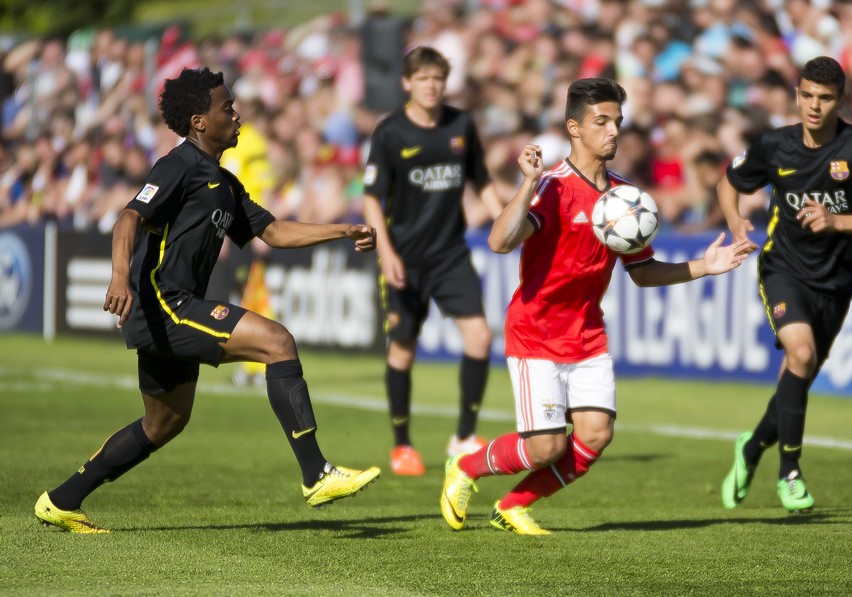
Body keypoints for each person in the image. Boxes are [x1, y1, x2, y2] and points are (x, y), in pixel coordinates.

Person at [33, 67, 381, 534]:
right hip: (164, 303)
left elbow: (273, 232)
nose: (237, 115)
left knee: (163, 425)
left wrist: (344, 228)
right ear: (199, 121)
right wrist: (120, 277)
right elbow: (128, 218)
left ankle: (60, 499)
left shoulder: (223, 181)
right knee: (278, 342)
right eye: (228, 108)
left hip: (166, 310)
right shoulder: (178, 165)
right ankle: (316, 473)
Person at [438, 78, 752, 535]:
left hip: (586, 335)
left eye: (617, 122)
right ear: (574, 128)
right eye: (601, 122)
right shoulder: (551, 188)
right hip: (536, 334)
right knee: (545, 447)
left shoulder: (625, 198)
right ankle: (465, 466)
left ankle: (513, 506)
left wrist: (704, 265)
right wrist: (526, 183)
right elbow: (499, 241)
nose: (613, 132)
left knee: (595, 436)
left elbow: (643, 272)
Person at [717, 57, 852, 513]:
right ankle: (791, 472)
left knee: (797, 377)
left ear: (840, 101)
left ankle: (750, 447)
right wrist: (736, 222)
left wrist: (835, 219)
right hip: (782, 267)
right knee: (799, 352)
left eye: (824, 98)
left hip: (837, 282)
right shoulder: (775, 145)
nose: (814, 106)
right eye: (807, 96)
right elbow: (730, 183)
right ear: (797, 96)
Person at [362, 47, 505, 476]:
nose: (431, 85)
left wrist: (510, 223)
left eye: (438, 78)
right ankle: (402, 444)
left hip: (450, 254)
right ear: (407, 82)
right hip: (404, 257)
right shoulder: (390, 133)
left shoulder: (461, 126)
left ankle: (463, 435)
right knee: (403, 350)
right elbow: (372, 199)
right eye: (422, 78)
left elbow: (483, 183)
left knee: (479, 337)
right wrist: (385, 252)